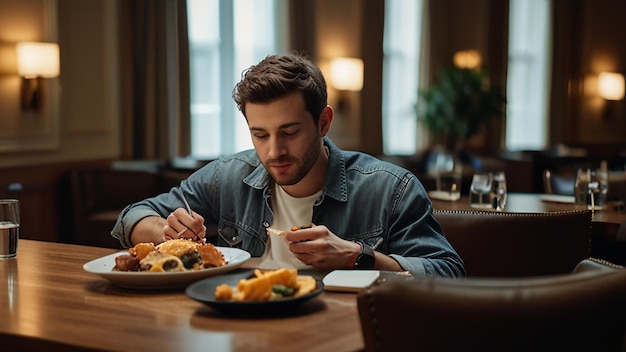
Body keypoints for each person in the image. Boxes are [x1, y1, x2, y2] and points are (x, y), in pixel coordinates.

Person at [111, 52, 465, 277]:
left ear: (323, 123)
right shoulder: (229, 175)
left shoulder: (390, 188)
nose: (274, 152)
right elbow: (132, 216)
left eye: (290, 132)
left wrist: (359, 257)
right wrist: (165, 233)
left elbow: (447, 273)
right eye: (260, 135)